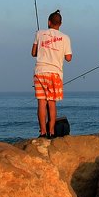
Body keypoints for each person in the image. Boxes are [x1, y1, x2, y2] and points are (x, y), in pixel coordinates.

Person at [31, 10, 72, 138]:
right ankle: (52, 131)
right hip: (55, 73)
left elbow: (33, 53)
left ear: (49, 22)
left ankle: (43, 131)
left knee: (41, 103)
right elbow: (69, 58)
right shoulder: (65, 38)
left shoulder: (39, 33)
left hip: (40, 72)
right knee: (52, 103)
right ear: (60, 23)